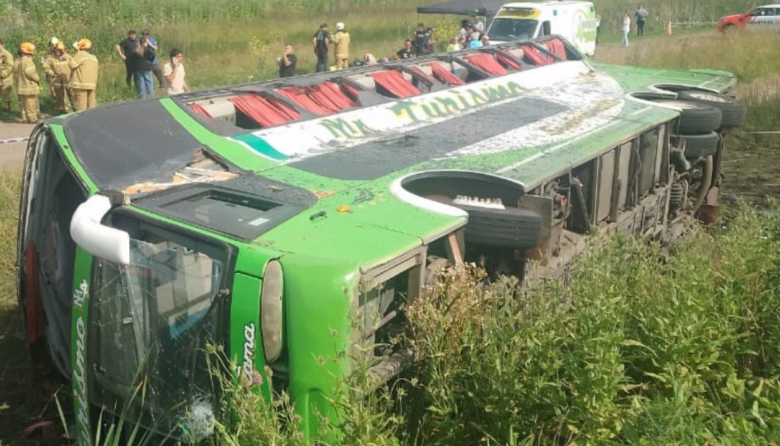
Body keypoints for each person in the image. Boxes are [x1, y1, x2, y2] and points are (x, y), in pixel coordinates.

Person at [66, 38, 99, 110]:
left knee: (81, 106)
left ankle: (81, 120)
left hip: (81, 84)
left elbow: (72, 65)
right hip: (92, 84)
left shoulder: (81, 54)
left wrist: (68, 57)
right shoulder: (93, 57)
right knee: (91, 106)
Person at [13, 42, 40, 123]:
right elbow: (31, 73)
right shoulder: (28, 61)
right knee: (30, 103)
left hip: (21, 86)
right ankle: (32, 119)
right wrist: (37, 79)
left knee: (24, 103)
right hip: (29, 86)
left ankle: (25, 118)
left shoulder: (19, 61)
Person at [42, 41, 72, 114]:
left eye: (59, 50)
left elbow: (74, 66)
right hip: (57, 81)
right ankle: (61, 111)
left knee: (72, 96)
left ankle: (76, 110)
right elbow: (45, 67)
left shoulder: (68, 57)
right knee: (59, 97)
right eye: (56, 50)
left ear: (62, 50)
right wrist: (52, 73)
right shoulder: (51, 58)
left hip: (68, 80)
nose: (57, 51)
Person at [0, 39, 13, 113]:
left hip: (6, 78)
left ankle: (7, 110)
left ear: (2, 45)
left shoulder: (7, 55)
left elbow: (10, 67)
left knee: (6, 94)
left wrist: (2, 74)